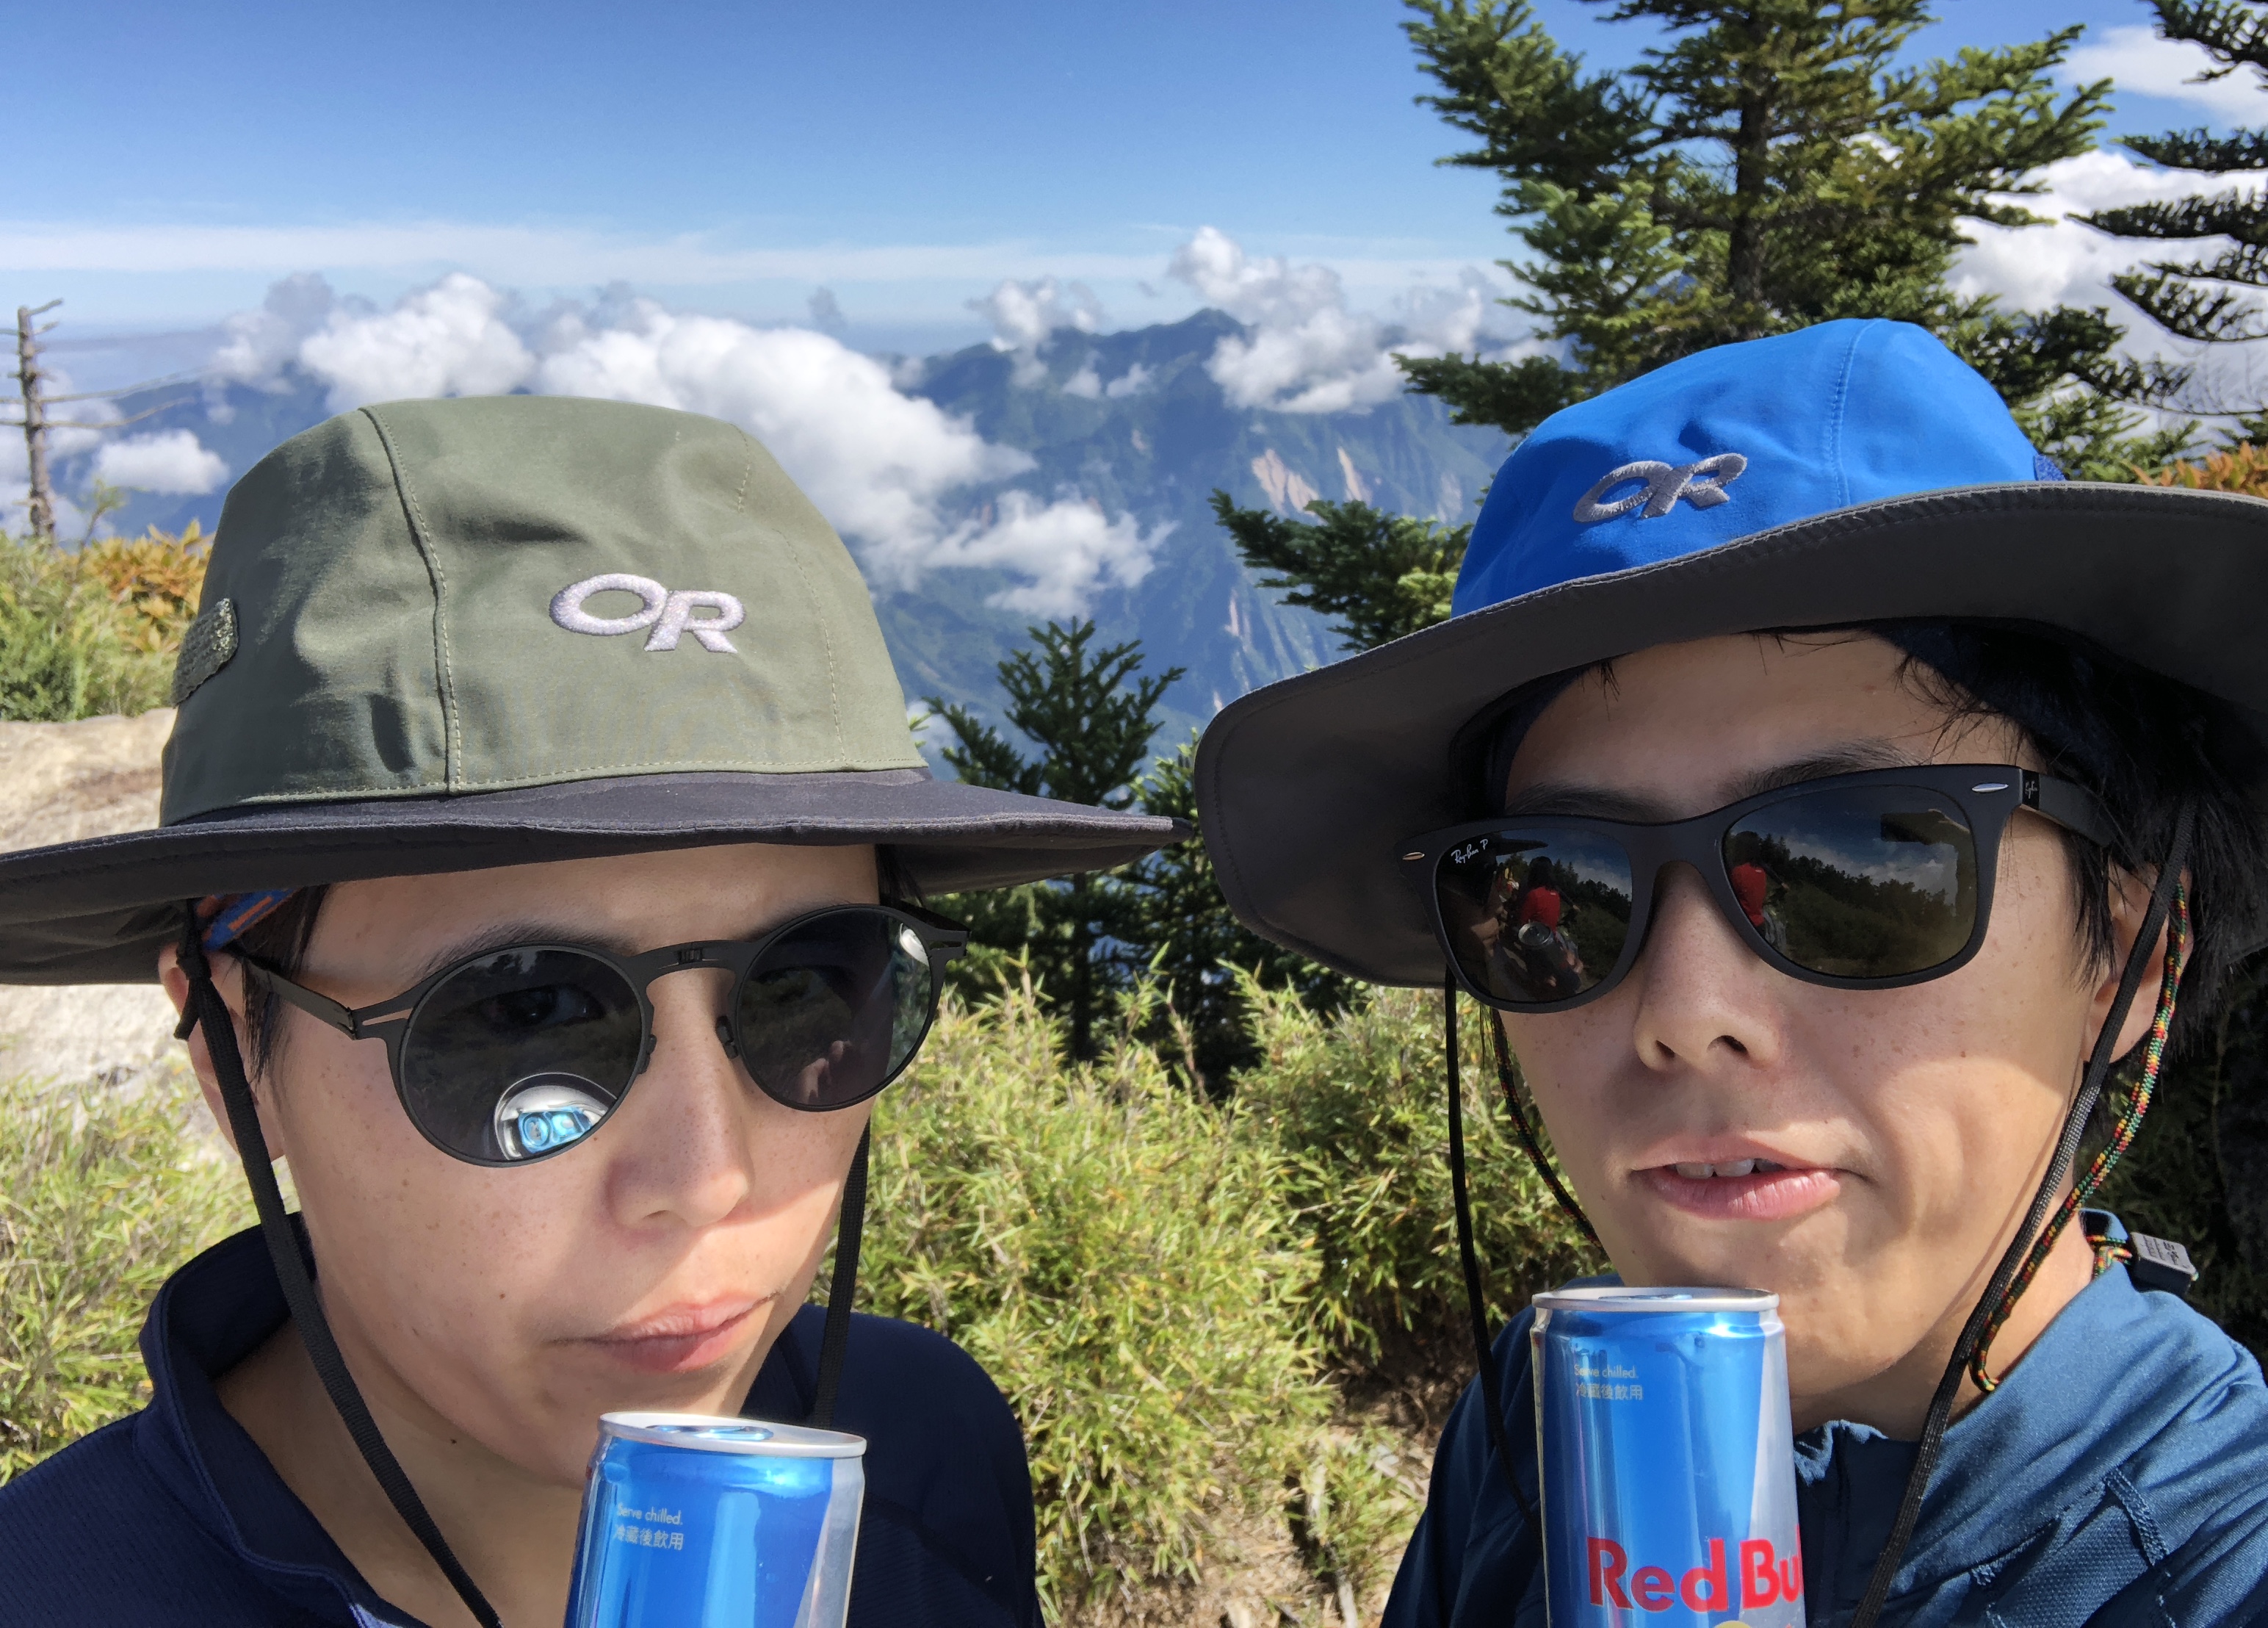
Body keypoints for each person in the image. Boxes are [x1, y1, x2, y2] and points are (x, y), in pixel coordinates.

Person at [0, 397, 1182, 1628]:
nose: (709, 1179)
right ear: (231, 1050)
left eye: (809, 987)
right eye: (529, 1016)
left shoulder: (928, 1456)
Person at [1196, 320, 2268, 1624]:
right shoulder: (1544, 1422)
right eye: (1561, 890)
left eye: (1858, 868)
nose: (1686, 1012)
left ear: (2135, 955)